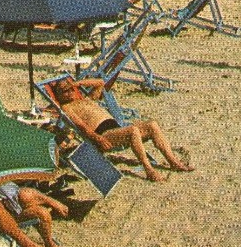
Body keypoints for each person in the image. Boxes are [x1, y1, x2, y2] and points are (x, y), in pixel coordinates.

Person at [52, 77, 194, 182]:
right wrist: (98, 139)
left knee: (152, 125)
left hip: (116, 129)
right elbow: (82, 127)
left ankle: (173, 162)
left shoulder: (85, 99)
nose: (69, 92)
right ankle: (149, 170)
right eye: (64, 91)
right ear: (58, 95)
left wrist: (78, 83)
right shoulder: (66, 108)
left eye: (71, 89)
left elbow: (100, 83)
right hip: (104, 135)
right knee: (132, 131)